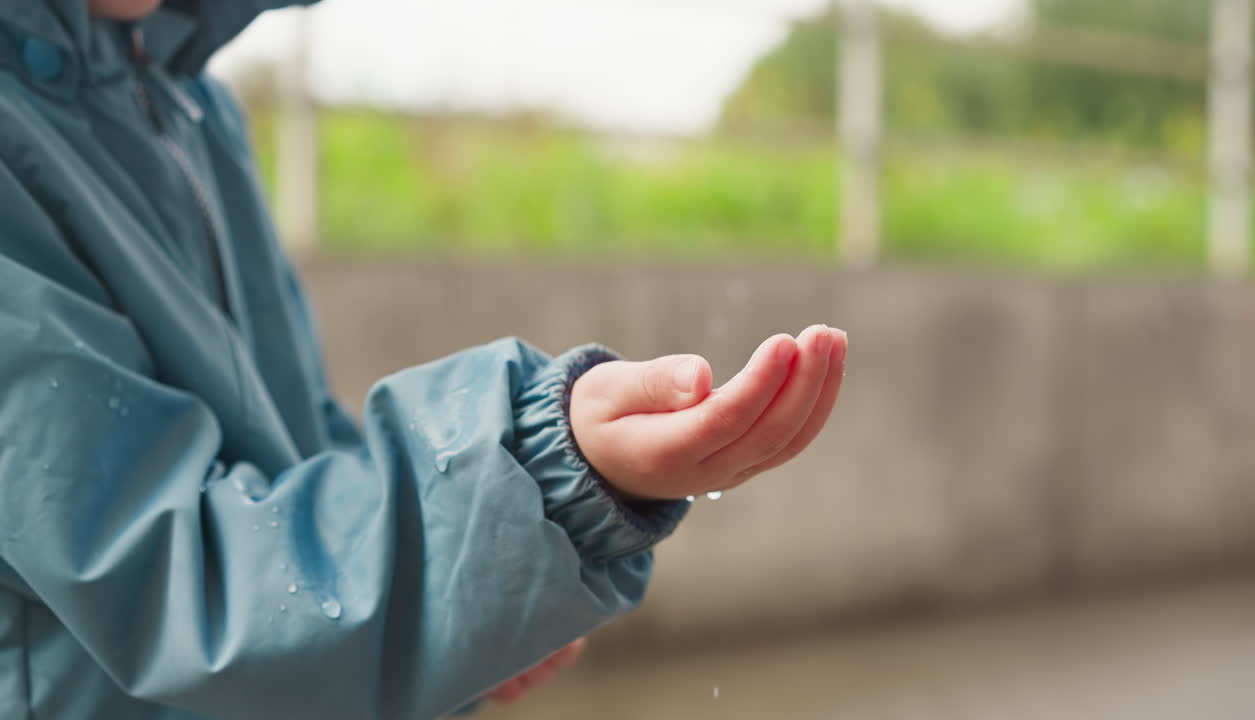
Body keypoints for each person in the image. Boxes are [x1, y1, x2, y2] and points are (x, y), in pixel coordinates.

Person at [0, 0, 848, 718]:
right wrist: (543, 472)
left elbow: (287, 469)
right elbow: (172, 577)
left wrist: (459, 614)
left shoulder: (183, 106)